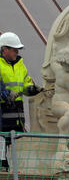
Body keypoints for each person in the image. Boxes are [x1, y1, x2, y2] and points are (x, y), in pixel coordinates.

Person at [0, 32, 42, 170]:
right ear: (4, 49)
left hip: (17, 114)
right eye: (14, 49)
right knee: (2, 143)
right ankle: (3, 169)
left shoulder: (20, 65)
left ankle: (13, 172)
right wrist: (5, 95)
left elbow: (25, 85)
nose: (16, 52)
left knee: (15, 144)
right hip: (2, 112)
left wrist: (32, 89)